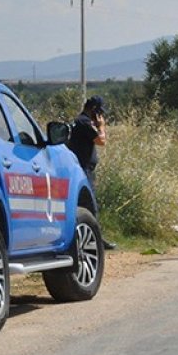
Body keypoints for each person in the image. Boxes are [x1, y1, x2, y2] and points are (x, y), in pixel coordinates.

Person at [68, 96, 117, 249]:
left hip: (85, 168)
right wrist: (101, 126)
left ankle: (93, 238)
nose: (100, 116)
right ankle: (95, 241)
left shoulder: (82, 121)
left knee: (89, 204)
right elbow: (101, 141)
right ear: (94, 110)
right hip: (83, 169)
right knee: (90, 205)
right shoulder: (84, 122)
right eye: (99, 112)